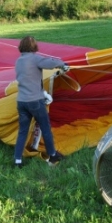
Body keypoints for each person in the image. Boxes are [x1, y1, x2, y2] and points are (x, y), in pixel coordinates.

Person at [14, 36, 69, 168]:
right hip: (35, 101)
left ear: (21, 46)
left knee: (22, 131)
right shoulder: (35, 58)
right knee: (45, 128)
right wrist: (63, 64)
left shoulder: (18, 61)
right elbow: (50, 63)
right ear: (34, 47)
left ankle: (17, 160)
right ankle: (52, 155)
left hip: (21, 101)